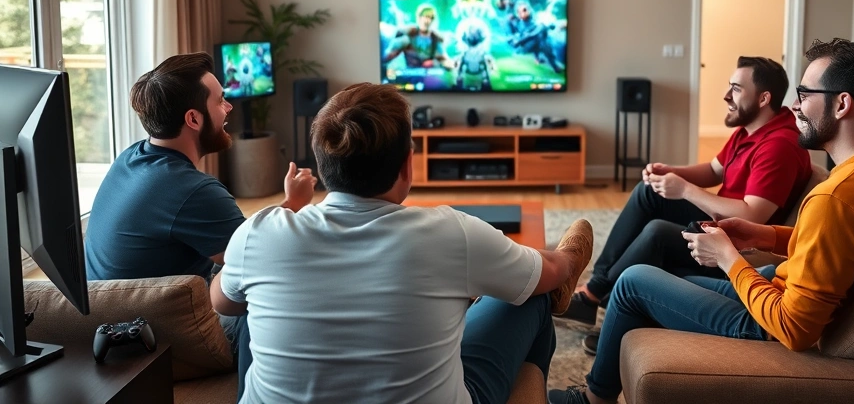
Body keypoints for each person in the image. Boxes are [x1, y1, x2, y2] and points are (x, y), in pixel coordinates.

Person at [548, 38, 854, 404]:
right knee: (669, 279)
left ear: (842, 105)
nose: (797, 107)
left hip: (772, 321)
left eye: (805, 95)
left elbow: (794, 329)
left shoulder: (837, 196)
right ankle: (603, 324)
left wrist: (728, 258)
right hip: (779, 285)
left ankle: (593, 398)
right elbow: (840, 244)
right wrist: (763, 234)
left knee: (635, 281)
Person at [211, 82, 595, 404]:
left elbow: (222, 302)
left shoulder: (258, 232)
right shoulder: (450, 232)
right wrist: (561, 259)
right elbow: (551, 273)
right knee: (531, 292)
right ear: (408, 164)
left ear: (322, 164)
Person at [83, 52, 318, 381]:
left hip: (112, 327)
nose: (229, 108)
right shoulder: (193, 191)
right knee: (279, 283)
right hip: (163, 341)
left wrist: (288, 201)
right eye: (221, 100)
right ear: (193, 119)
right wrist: (294, 206)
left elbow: (239, 241)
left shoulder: (132, 157)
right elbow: (257, 255)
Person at [559, 57, 811, 338]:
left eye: (737, 89)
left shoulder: (779, 146)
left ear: (764, 98)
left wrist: (685, 190)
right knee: (649, 192)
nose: (726, 95)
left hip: (735, 245)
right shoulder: (750, 128)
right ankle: (600, 284)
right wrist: (671, 172)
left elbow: (751, 216)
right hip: (717, 222)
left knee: (657, 233)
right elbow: (714, 170)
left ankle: (597, 299)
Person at [382, 3, 451, 68]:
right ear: (419, 18)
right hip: (410, 74)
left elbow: (444, 60)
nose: (427, 21)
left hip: (429, 76)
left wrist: (434, 62)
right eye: (425, 17)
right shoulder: (407, 37)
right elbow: (388, 57)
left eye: (431, 18)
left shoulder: (436, 39)